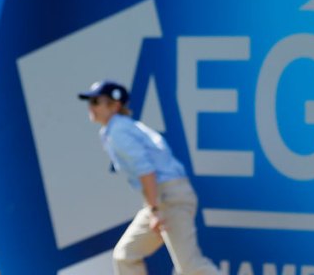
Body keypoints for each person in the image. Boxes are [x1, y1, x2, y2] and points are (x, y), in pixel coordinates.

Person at [78, 80, 219, 275]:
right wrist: (153, 207)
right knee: (125, 256)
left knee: (190, 268)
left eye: (96, 102)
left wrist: (154, 210)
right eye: (90, 101)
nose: (90, 107)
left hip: (169, 197)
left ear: (115, 105)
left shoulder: (118, 131)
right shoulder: (117, 128)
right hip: (161, 198)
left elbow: (146, 170)